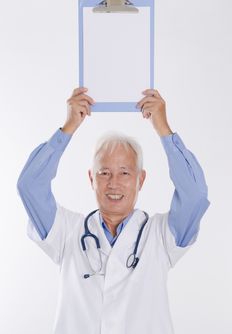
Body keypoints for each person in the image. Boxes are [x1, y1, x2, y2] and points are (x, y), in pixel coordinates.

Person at [17, 87, 210, 334]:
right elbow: (29, 185)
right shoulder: (66, 230)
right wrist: (68, 127)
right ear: (91, 179)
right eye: (104, 173)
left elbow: (195, 194)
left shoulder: (162, 236)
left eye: (125, 173)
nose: (114, 183)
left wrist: (163, 128)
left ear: (141, 179)